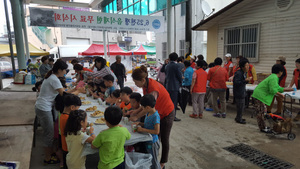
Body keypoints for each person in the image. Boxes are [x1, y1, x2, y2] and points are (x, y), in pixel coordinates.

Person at [129, 65, 174, 169]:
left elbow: (148, 108)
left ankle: (162, 163)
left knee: (164, 139)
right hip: (158, 111)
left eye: (136, 82)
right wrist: (136, 111)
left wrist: (136, 117)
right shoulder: (145, 85)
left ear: (143, 79)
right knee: (155, 138)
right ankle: (153, 156)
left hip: (167, 112)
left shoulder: (153, 88)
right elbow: (145, 104)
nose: (136, 84)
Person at [35, 60, 68, 164]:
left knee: (49, 132)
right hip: (44, 108)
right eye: (64, 70)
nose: (65, 72)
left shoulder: (52, 76)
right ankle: (48, 158)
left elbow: (62, 92)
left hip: (43, 107)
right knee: (48, 134)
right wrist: (78, 91)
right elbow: (64, 95)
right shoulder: (54, 79)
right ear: (59, 70)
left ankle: (50, 153)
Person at [252, 64, 293, 130]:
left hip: (259, 95)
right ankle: (263, 128)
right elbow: (272, 90)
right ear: (280, 72)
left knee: (262, 112)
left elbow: (277, 88)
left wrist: (287, 89)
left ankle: (263, 127)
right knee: (261, 113)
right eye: (282, 72)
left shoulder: (273, 77)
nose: (282, 73)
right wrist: (281, 95)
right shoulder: (274, 77)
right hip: (260, 96)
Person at [135, 94, 160, 169]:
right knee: (149, 158)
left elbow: (156, 131)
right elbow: (147, 124)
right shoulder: (148, 113)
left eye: (143, 107)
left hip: (153, 142)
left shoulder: (155, 116)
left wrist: (143, 129)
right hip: (147, 140)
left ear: (148, 107)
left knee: (154, 160)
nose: (142, 109)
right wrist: (140, 123)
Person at [59, 94, 81, 169]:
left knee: (66, 161)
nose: (78, 110)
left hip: (64, 144)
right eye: (77, 108)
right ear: (72, 107)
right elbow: (74, 131)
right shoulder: (68, 119)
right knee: (69, 163)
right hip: (69, 146)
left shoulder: (62, 115)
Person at [165, 52, 182, 122]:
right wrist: (181, 81)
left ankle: (168, 114)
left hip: (168, 85)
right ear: (176, 58)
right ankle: (173, 116)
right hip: (175, 86)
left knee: (168, 102)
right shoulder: (176, 66)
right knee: (174, 102)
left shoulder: (167, 66)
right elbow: (179, 76)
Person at [233, 58, 251, 124]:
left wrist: (246, 81)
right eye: (246, 65)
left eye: (248, 65)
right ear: (242, 66)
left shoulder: (244, 73)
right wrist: (245, 80)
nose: (248, 67)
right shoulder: (238, 73)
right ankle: (239, 118)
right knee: (240, 106)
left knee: (242, 106)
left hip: (242, 91)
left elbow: (242, 82)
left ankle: (239, 117)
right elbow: (236, 82)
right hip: (239, 92)